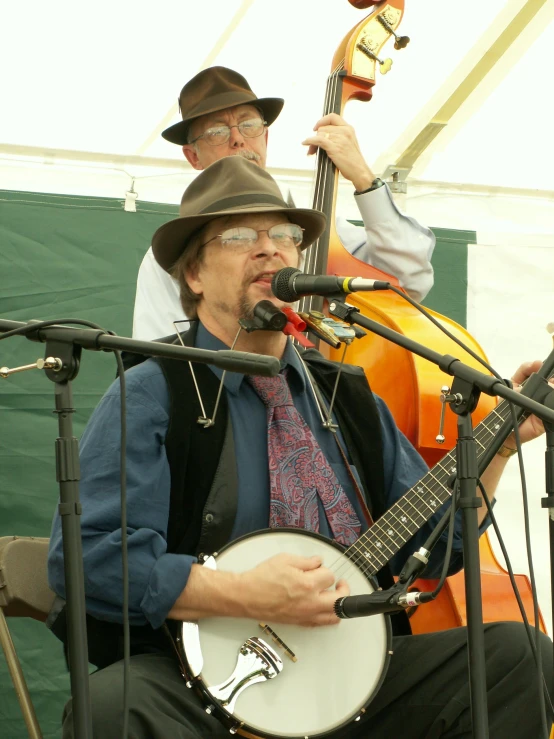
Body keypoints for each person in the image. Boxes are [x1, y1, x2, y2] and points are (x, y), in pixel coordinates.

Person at [48, 157, 552, 738]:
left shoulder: (343, 391)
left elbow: (439, 548)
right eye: (240, 236)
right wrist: (244, 593)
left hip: (354, 677)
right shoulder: (153, 390)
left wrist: (498, 452)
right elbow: (90, 560)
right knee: (116, 703)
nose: (270, 249)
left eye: (285, 235)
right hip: (208, 687)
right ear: (193, 275)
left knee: (517, 655)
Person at [132, 66, 436, 341]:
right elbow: (163, 352)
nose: (238, 140)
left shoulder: (319, 225)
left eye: (248, 125)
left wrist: (363, 178)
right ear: (193, 156)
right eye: (217, 131)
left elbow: (408, 281)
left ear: (266, 136)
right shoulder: (171, 256)